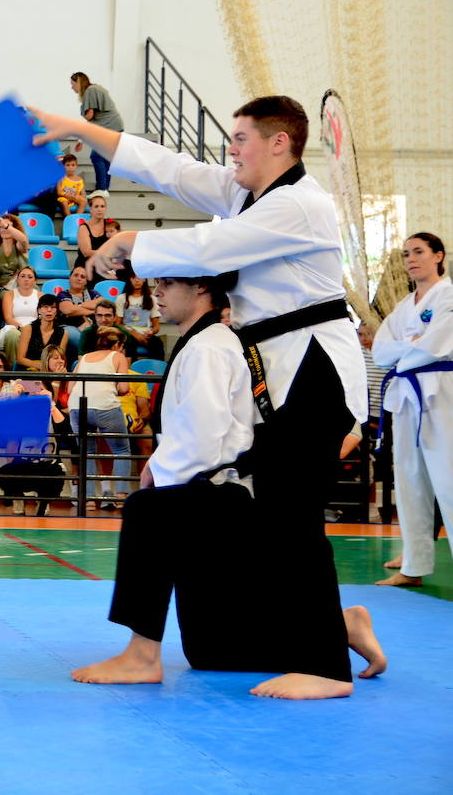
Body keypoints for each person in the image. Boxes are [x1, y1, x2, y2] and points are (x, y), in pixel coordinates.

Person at [44, 94, 368, 699]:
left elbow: (213, 251)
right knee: (273, 521)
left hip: (316, 373)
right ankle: (333, 627)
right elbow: (173, 170)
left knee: (294, 519)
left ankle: (326, 667)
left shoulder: (302, 204)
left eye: (241, 138)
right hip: (279, 372)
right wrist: (80, 128)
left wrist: (130, 243)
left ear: (279, 143)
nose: (230, 149)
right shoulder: (252, 195)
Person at [71, 273, 386, 694]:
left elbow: (206, 437)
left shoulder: (212, 346)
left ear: (202, 288)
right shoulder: (203, 342)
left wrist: (160, 475)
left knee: (147, 509)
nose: (158, 293)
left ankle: (141, 654)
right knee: (210, 652)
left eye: (169, 283)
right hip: (213, 494)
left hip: (227, 495)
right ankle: (339, 626)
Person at [372, 232, 453, 588]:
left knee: (449, 481)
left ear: (439, 256)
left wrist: (405, 351)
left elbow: (437, 344)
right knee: (409, 480)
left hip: (441, 394)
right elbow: (379, 351)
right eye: (406, 254)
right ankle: (414, 566)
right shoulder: (404, 305)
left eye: (418, 252)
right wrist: (411, 345)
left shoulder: (449, 296)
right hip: (406, 396)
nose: (410, 259)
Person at [68, 327, 133, 503]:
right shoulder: (118, 356)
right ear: (118, 344)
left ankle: (88, 499)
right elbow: (124, 388)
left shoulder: (85, 358)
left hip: (76, 406)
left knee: (87, 452)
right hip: (104, 406)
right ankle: (120, 496)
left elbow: (69, 388)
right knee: (121, 450)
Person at [69, 72, 123, 192]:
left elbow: (89, 116)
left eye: (73, 84)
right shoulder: (94, 89)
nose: (72, 88)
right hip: (113, 127)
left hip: (109, 127)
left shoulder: (90, 91)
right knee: (105, 158)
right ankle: (104, 190)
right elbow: (94, 120)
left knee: (96, 156)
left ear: (78, 82)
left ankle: (102, 188)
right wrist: (81, 139)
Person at [0, 266, 42, 362]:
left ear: (35, 281)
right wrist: (22, 328)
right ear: (17, 279)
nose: (26, 279)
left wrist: (30, 330)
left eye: (30, 277)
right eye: (23, 276)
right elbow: (8, 317)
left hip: (34, 328)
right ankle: (14, 369)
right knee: (13, 335)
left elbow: (42, 318)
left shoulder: (40, 296)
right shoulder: (9, 294)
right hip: (14, 328)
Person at [118, 274, 165, 360]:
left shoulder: (152, 299)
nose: (136, 280)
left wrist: (151, 332)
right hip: (128, 334)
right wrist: (135, 334)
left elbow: (156, 327)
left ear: (144, 280)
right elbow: (118, 324)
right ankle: (129, 370)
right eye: (133, 278)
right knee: (129, 343)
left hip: (146, 335)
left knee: (158, 343)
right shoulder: (122, 298)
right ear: (129, 280)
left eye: (139, 277)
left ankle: (157, 370)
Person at [17, 293, 67, 370]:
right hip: (28, 371)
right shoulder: (28, 329)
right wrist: (40, 366)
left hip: (51, 372)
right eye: (45, 307)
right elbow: (20, 359)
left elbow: (61, 359)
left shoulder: (63, 333)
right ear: (39, 310)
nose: (49, 310)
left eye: (53, 307)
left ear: (57, 311)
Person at [0, 215, 30, 290]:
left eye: (8, 226)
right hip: (3, 289)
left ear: (15, 229)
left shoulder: (19, 246)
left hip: (24, 288)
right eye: (1, 227)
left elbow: (23, 240)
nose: (4, 228)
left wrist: (5, 225)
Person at [73, 191, 112, 276]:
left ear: (105, 209)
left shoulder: (110, 224)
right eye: (96, 206)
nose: (99, 209)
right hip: (86, 262)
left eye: (102, 206)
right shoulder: (83, 227)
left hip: (105, 261)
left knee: (128, 266)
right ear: (90, 209)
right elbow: (86, 252)